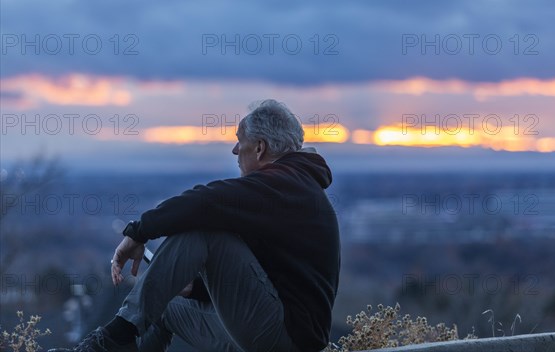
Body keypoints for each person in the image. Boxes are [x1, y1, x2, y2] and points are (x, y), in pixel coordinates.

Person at [48, 100, 340, 352]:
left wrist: (138, 232)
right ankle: (122, 340)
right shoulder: (292, 187)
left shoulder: (284, 185)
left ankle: (114, 336)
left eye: (241, 141)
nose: (236, 150)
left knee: (205, 231)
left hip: (285, 338)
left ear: (260, 148)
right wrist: (196, 289)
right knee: (162, 308)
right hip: (278, 332)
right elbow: (272, 275)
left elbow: (205, 203)